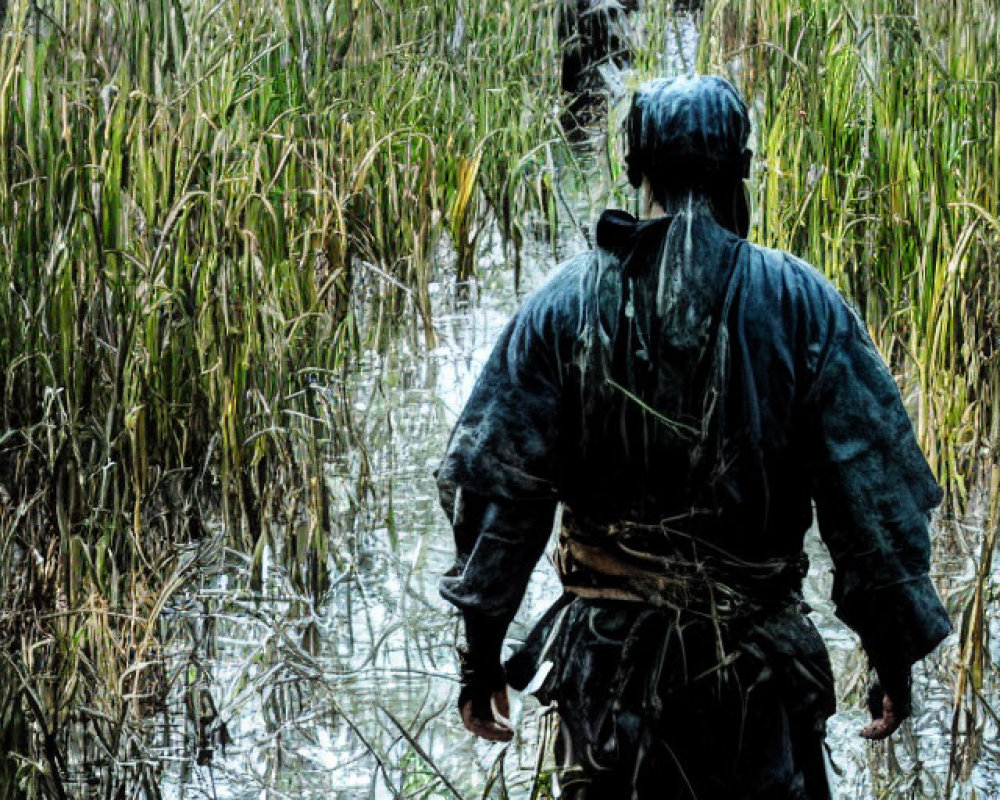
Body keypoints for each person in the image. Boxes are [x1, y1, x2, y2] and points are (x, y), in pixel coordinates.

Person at [436, 74, 951, 799]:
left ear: (635, 170)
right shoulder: (803, 305)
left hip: (608, 691)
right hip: (759, 687)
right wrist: (890, 652)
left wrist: (480, 660)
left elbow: (497, 499)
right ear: (740, 171)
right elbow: (870, 497)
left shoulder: (563, 306)